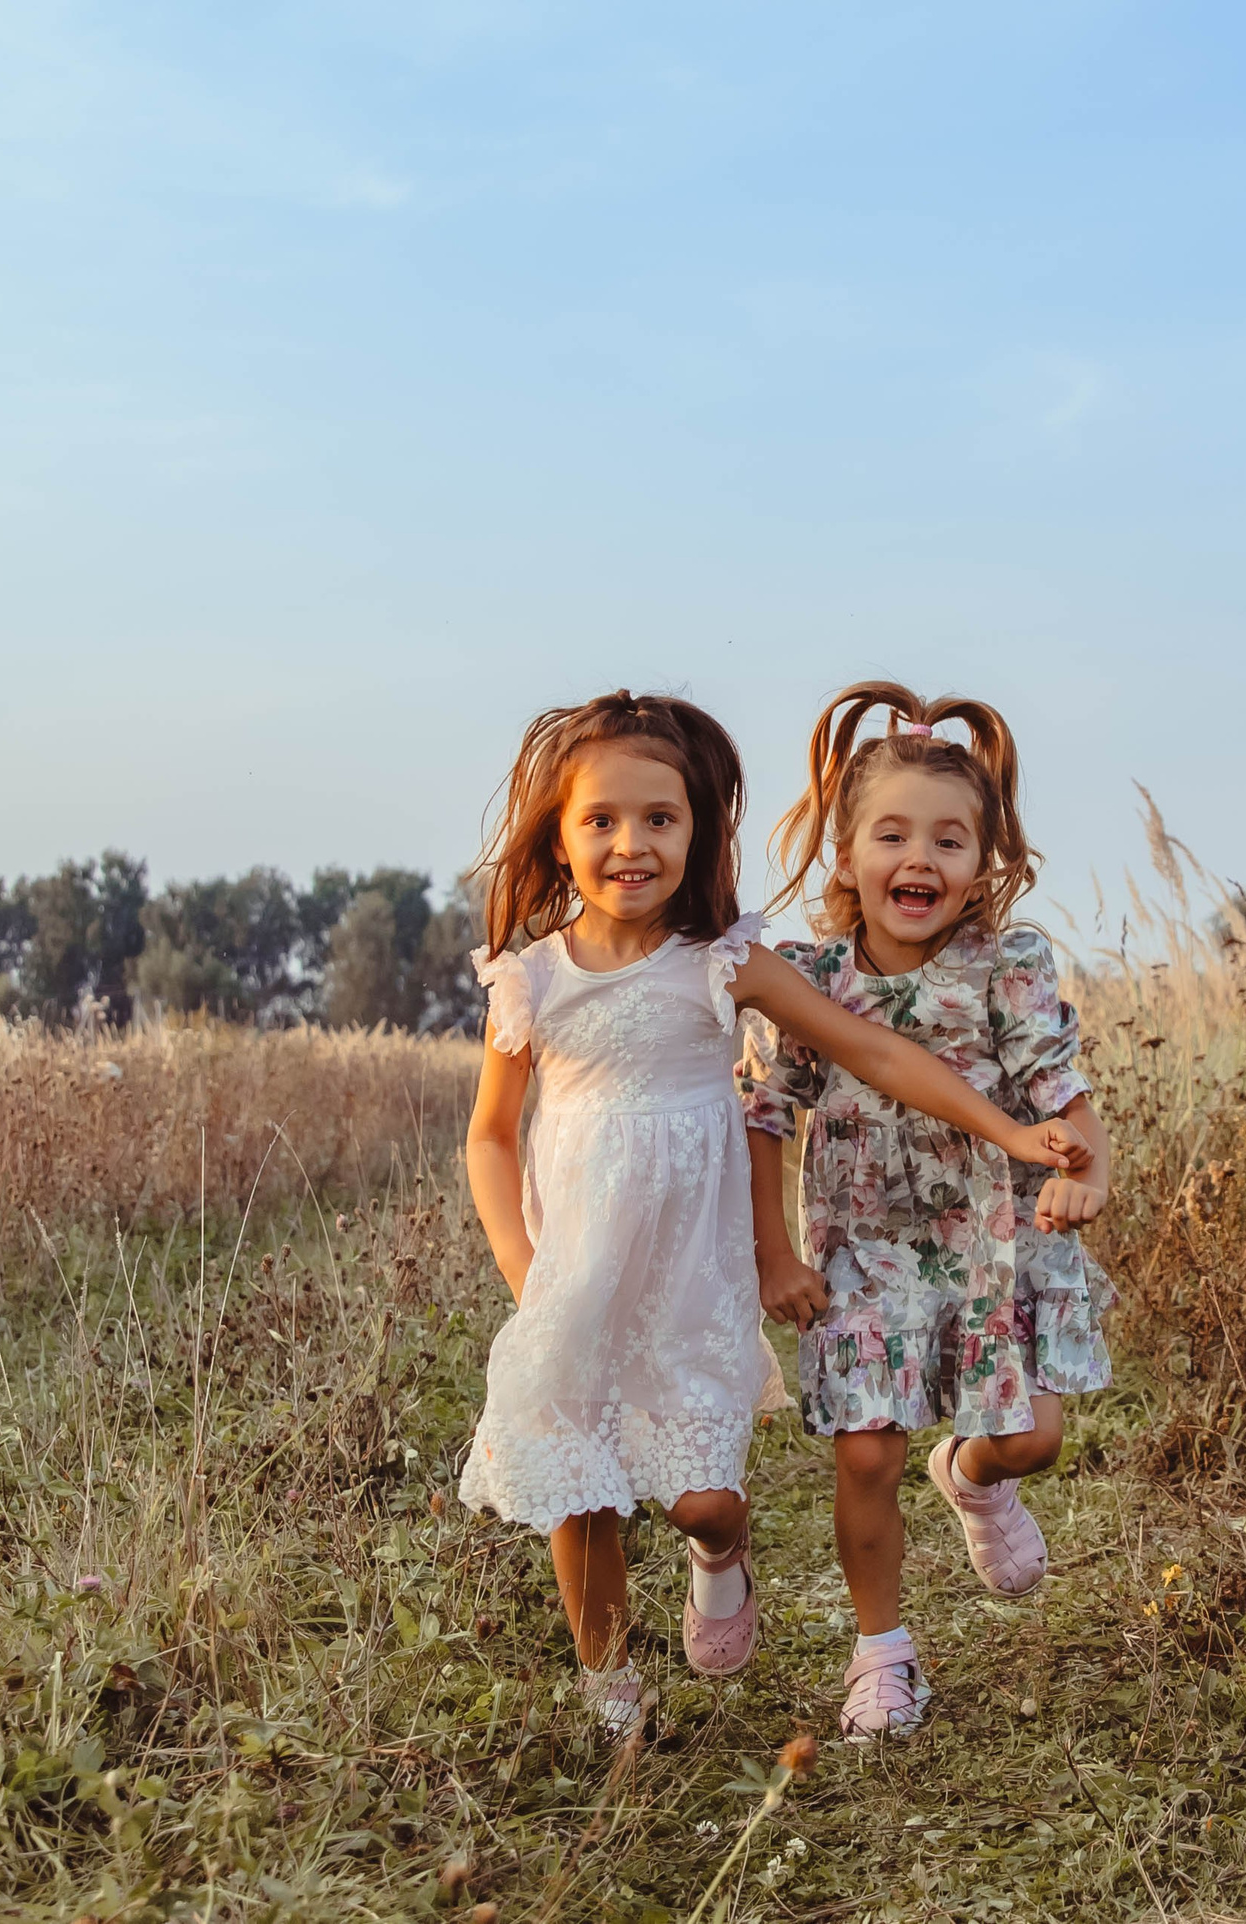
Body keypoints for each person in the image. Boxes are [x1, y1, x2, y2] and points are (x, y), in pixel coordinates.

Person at [459, 689, 1088, 1740]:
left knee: (698, 1499)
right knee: (582, 1486)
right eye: (601, 819)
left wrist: (1011, 1132)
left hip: (689, 1279)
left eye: (660, 818)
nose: (631, 843)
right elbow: (489, 1135)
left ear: (698, 831)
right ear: (559, 837)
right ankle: (611, 1692)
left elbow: (876, 1051)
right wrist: (526, 1272)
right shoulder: (531, 981)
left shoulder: (724, 963)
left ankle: (721, 1546)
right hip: (571, 1269)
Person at [740, 682, 1115, 1741]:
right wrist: (774, 1254)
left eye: (949, 840)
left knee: (1031, 1441)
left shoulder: (1007, 966)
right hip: (862, 1248)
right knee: (866, 1453)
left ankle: (972, 1477)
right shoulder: (808, 980)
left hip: (991, 1248)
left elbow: (1066, 1096)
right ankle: (883, 1655)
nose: (920, 858)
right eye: (893, 834)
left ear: (983, 862)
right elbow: (763, 1114)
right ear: (846, 853)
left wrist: (1086, 1174)